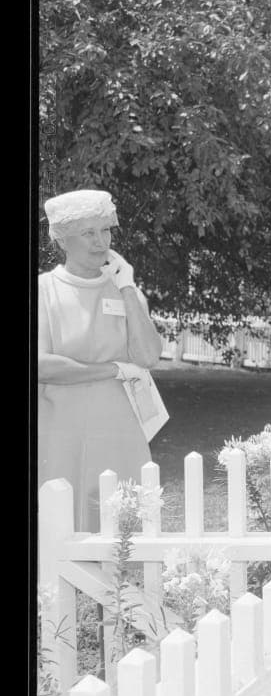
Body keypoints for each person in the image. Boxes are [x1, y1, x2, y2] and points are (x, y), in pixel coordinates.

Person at [38, 189, 163, 532]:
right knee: (63, 528)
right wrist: (112, 369)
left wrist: (126, 288)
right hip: (61, 433)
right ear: (62, 240)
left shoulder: (126, 291)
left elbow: (148, 356)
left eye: (105, 230)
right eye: (88, 233)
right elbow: (42, 365)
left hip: (120, 431)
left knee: (121, 533)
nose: (100, 241)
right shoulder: (44, 290)